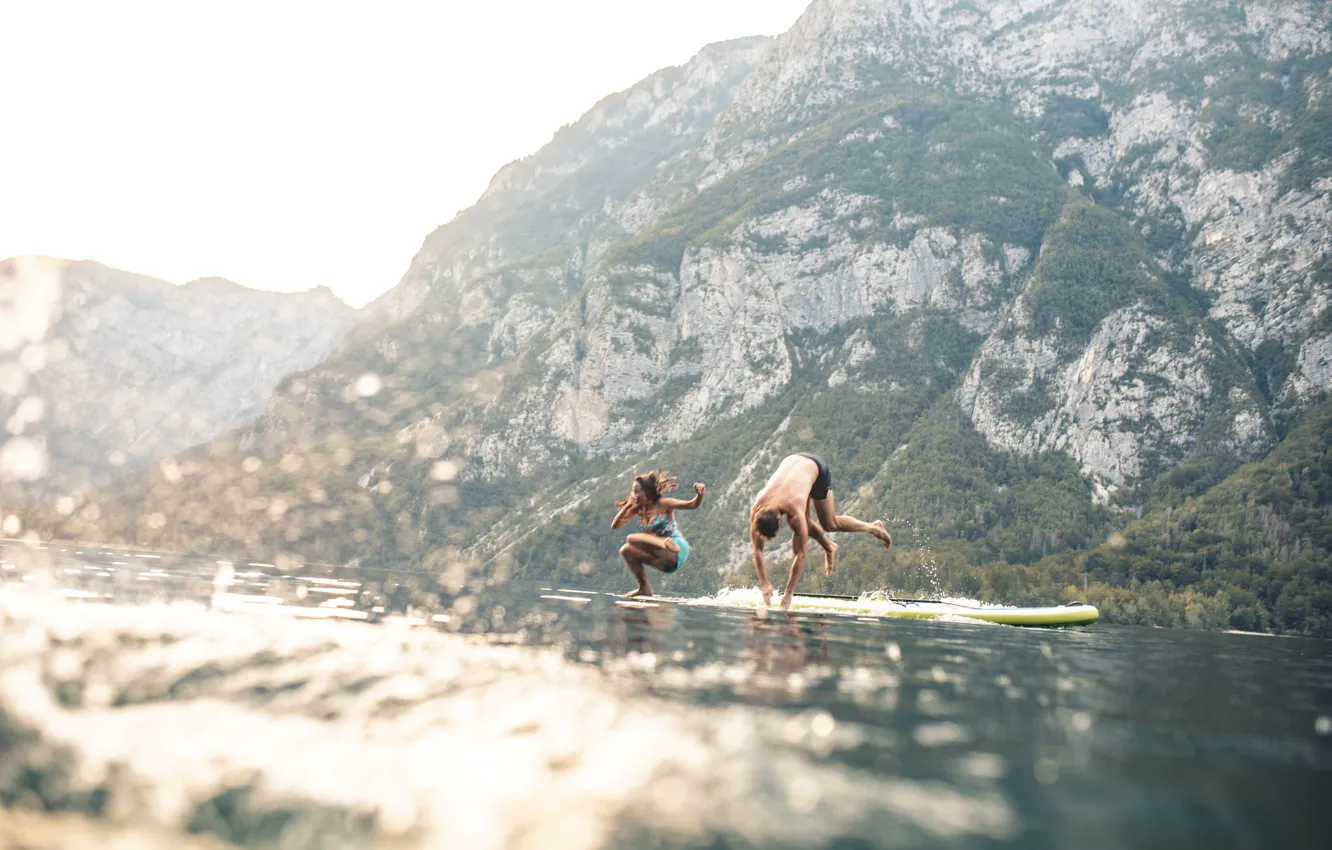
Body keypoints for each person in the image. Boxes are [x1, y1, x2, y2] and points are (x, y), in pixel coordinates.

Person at [749, 452, 892, 609]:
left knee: (830, 524)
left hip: (816, 469)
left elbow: (801, 554)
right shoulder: (757, 507)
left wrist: (789, 593)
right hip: (794, 462)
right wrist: (764, 584)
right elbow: (757, 550)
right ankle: (829, 546)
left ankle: (873, 527)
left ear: (779, 519)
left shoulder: (795, 512)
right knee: (806, 525)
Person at [612, 469, 705, 598]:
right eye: (633, 491)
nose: (633, 495)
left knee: (631, 538)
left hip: (677, 549)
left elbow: (691, 505)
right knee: (626, 550)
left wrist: (699, 495)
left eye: (637, 492)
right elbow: (615, 525)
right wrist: (628, 506)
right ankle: (644, 588)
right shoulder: (638, 508)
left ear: (647, 493)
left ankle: (668, 543)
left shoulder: (663, 503)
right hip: (665, 561)